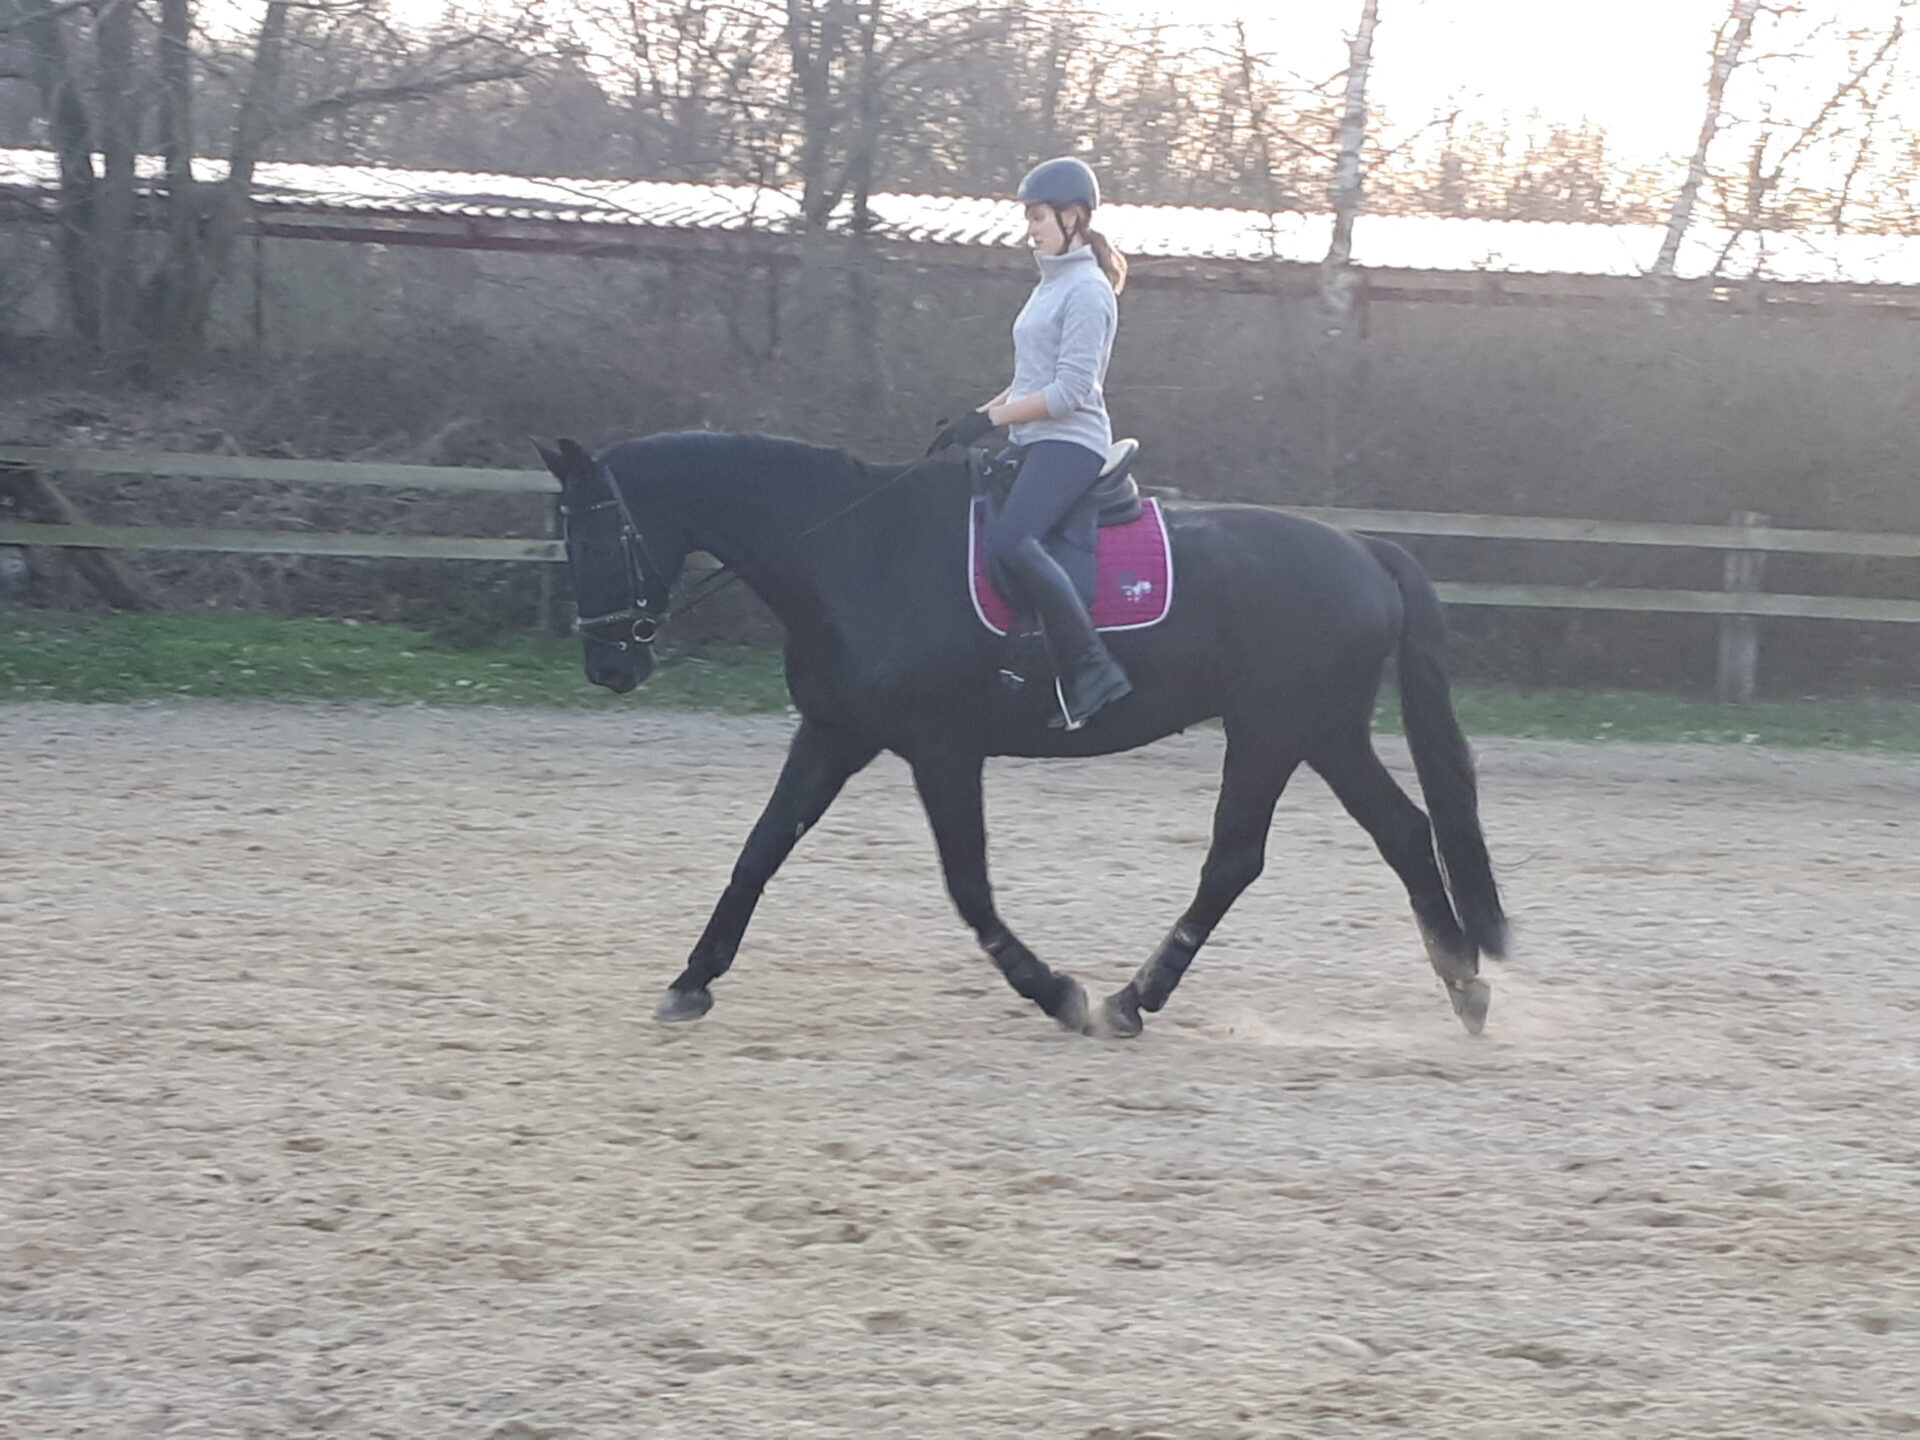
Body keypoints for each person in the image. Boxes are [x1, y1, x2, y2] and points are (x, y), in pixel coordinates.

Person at [927, 157, 1134, 731]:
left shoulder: (1090, 291)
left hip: (1071, 442)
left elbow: (1069, 392)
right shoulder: (1050, 285)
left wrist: (991, 420)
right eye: (1030, 218)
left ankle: (1092, 669)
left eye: (1039, 217)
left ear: (1073, 217)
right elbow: (1029, 382)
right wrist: (977, 417)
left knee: (1013, 542)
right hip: (1034, 438)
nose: (1031, 230)